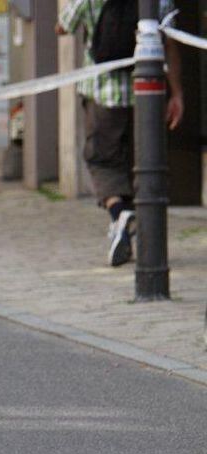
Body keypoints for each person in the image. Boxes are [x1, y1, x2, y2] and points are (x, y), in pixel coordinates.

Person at [56, 0, 183, 267]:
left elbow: (62, 27)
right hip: (146, 97)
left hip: (103, 93)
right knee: (139, 166)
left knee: (101, 160)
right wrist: (177, 94)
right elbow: (171, 41)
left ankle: (120, 213)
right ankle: (135, 233)